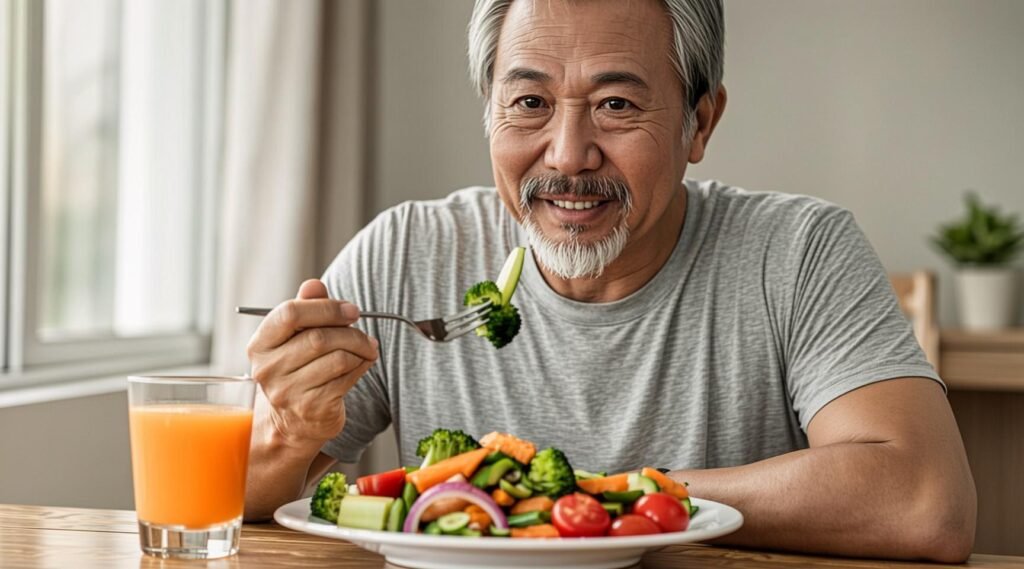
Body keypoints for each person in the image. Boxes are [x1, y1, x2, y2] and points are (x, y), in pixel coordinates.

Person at [243, 0, 976, 561]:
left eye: (616, 105)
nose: (566, 156)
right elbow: (216, 497)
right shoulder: (405, 251)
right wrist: (286, 434)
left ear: (700, 123)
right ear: (489, 111)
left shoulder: (799, 251)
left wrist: (595, 494)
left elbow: (924, 500)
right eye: (529, 103)